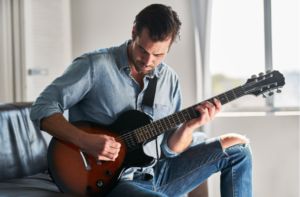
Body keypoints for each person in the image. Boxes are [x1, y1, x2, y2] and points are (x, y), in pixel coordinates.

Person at [30, 4, 252, 197]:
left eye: (158, 55)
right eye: (143, 50)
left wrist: (189, 126)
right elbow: (42, 107)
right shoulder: (94, 66)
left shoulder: (169, 80)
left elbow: (170, 149)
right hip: (111, 183)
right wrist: (85, 141)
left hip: (158, 174)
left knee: (238, 147)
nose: (147, 61)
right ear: (134, 31)